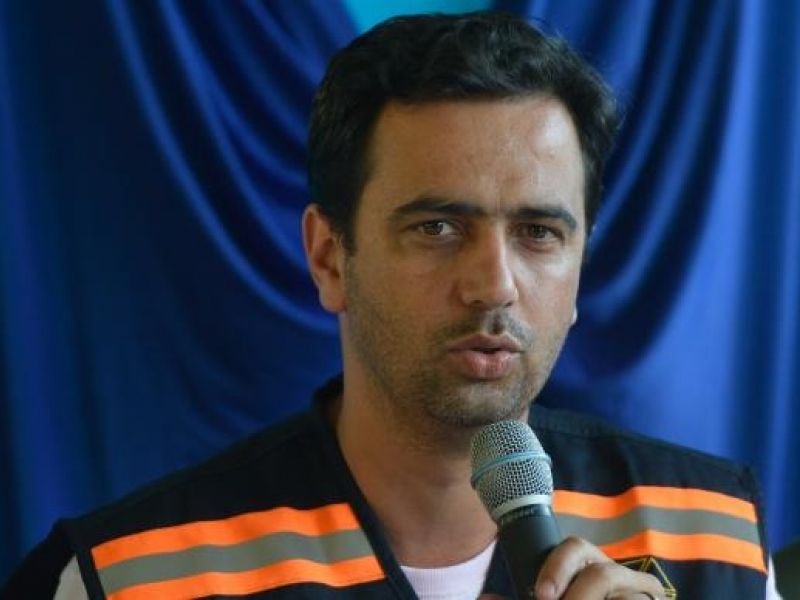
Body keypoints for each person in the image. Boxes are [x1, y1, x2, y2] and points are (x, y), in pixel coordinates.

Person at [2, 11, 779, 600]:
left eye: (539, 233)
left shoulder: (715, 539)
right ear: (328, 256)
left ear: (580, 267)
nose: (495, 285)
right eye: (437, 227)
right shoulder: (135, 575)